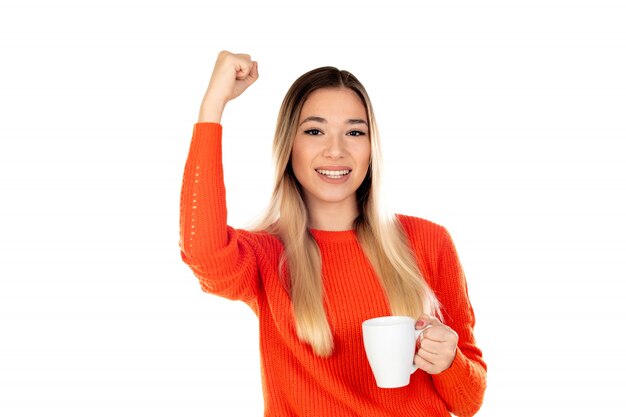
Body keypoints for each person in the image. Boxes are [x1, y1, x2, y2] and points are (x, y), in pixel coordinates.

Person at [179, 50, 487, 416]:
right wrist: (212, 106)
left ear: (372, 149)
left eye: (354, 132)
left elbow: (468, 401)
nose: (336, 150)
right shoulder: (267, 253)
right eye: (314, 131)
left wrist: (450, 361)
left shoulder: (429, 241)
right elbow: (203, 252)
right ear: (288, 146)